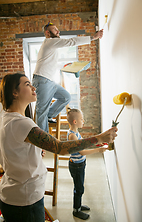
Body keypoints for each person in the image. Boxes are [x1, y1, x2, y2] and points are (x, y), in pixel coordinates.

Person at [0, 73, 117, 222]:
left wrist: (33, 151)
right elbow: (60, 147)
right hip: (25, 200)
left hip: (11, 196)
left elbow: (11, 149)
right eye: (28, 84)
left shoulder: (5, 117)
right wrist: (99, 138)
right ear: (14, 92)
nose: (34, 87)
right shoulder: (21, 123)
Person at [32, 22, 103, 133]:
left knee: (65, 97)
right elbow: (71, 42)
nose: (58, 31)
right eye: (55, 29)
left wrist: (66, 66)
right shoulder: (50, 42)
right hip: (42, 80)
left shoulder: (52, 45)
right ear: (47, 32)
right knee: (41, 112)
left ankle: (49, 116)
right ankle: (43, 145)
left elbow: (49, 63)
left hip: (49, 81)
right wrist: (93, 37)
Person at [67, 108, 111, 220]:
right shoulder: (72, 136)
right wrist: (98, 150)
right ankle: (76, 210)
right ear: (75, 122)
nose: (84, 121)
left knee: (79, 186)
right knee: (79, 188)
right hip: (76, 165)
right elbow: (81, 151)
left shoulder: (76, 132)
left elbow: (82, 145)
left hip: (80, 164)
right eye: (82, 119)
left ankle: (78, 205)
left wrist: (95, 144)